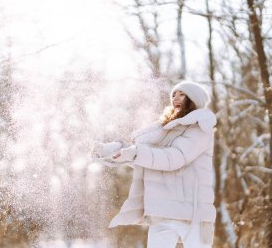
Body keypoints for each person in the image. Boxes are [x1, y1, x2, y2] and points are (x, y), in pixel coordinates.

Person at [91, 81, 217, 248]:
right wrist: (116, 152)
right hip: (162, 211)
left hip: (192, 214)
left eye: (182, 94)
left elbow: (174, 159)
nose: (175, 98)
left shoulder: (200, 127)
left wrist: (137, 153)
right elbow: (151, 162)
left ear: (194, 99)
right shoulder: (166, 130)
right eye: (173, 95)